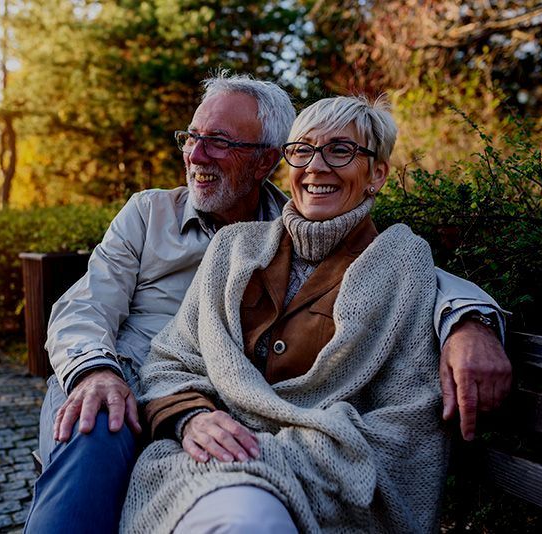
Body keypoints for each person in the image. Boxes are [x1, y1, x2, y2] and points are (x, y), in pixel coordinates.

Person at [24, 74, 510, 533]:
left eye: (219, 141)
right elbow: (84, 307)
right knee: (94, 424)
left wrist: (471, 321)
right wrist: (96, 372)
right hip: (123, 380)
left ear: (265, 160)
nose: (197, 154)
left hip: (218, 418)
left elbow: (405, 269)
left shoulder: (297, 223)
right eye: (191, 137)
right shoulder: (152, 214)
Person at [122, 94, 450, 533]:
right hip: (200, 465)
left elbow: (408, 419)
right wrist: (191, 417)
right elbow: (171, 360)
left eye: (341, 150)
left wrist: (267, 453)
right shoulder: (232, 248)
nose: (317, 166)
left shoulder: (403, 263)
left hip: (323, 479)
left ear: (377, 174)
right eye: (302, 150)